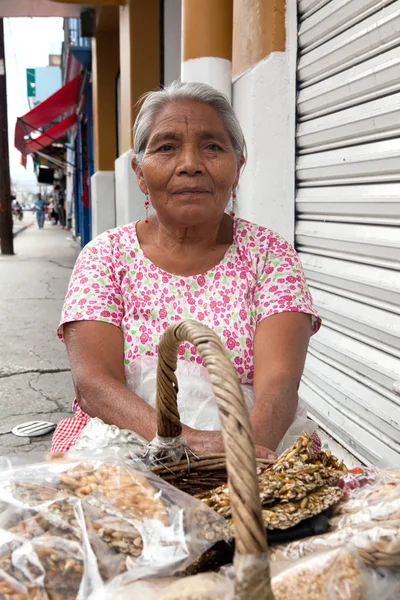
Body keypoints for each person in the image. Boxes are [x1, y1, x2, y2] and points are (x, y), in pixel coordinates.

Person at [51, 81, 321, 458]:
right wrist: (187, 445)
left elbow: (280, 381)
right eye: (166, 147)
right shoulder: (105, 256)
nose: (191, 164)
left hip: (255, 444)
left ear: (238, 167)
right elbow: (94, 384)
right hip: (125, 448)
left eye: (212, 146)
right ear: (140, 173)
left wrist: (244, 453)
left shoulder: (270, 255)